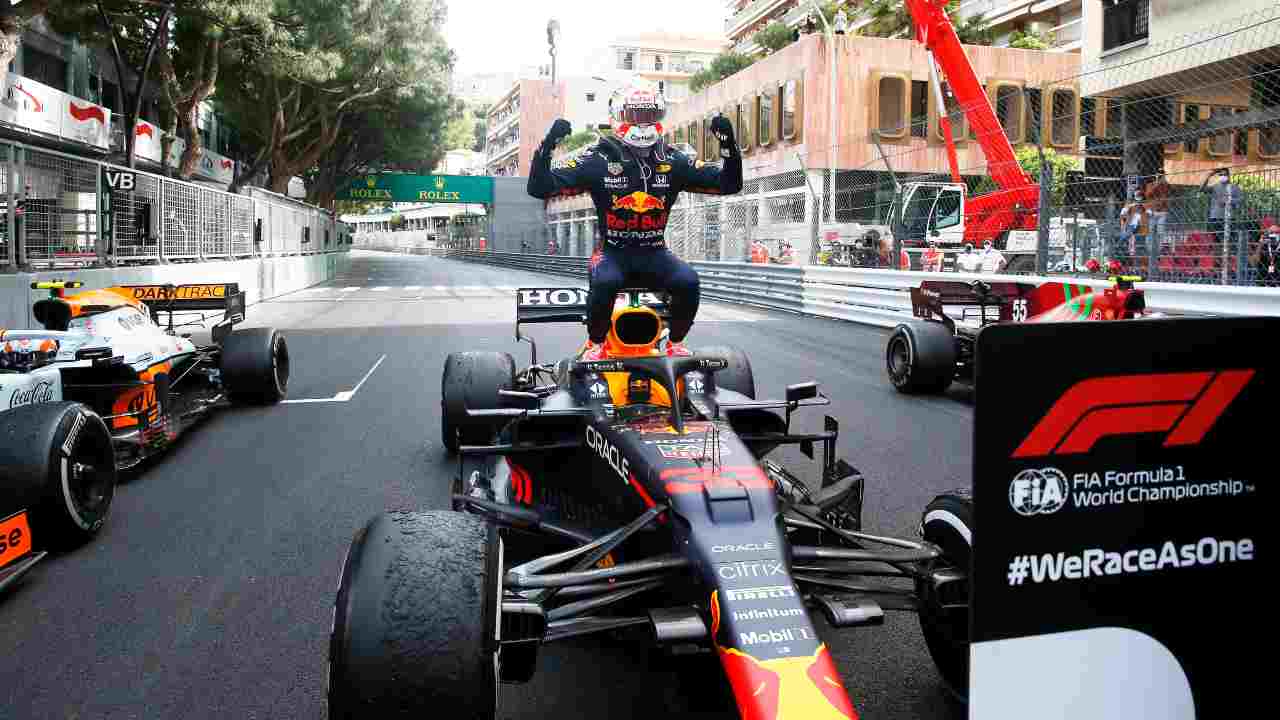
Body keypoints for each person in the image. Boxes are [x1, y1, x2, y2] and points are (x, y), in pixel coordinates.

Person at [527, 81, 742, 360]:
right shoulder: (597, 158)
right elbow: (540, 188)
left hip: (655, 253)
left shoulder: (674, 159)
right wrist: (548, 147)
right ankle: (596, 344)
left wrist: (728, 146)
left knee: (688, 280)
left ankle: (675, 343)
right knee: (605, 281)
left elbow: (728, 184)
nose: (642, 123)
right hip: (612, 254)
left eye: (648, 115)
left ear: (658, 117)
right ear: (620, 117)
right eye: (636, 116)